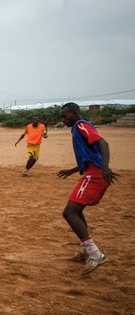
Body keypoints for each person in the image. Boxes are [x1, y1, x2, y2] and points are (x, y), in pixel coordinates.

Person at [57, 103, 119, 275]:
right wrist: (73, 170)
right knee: (77, 211)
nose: (63, 120)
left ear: (75, 113)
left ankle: (95, 253)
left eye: (65, 116)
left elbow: (103, 143)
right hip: (90, 173)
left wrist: (105, 167)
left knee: (69, 213)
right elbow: (90, 154)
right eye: (61, 117)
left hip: (96, 175)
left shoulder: (81, 125)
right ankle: (86, 249)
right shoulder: (77, 128)